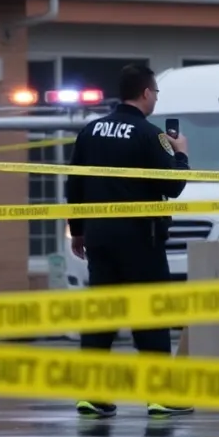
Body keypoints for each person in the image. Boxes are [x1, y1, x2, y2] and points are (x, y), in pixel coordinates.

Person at [65, 63, 194, 417]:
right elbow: (173, 185)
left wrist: (78, 230)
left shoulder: (90, 132)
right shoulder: (149, 134)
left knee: (102, 316)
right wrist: (180, 152)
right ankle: (159, 395)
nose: (155, 98)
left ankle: (93, 394)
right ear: (146, 93)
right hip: (141, 239)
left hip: (100, 239)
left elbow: (73, 185)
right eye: (155, 92)